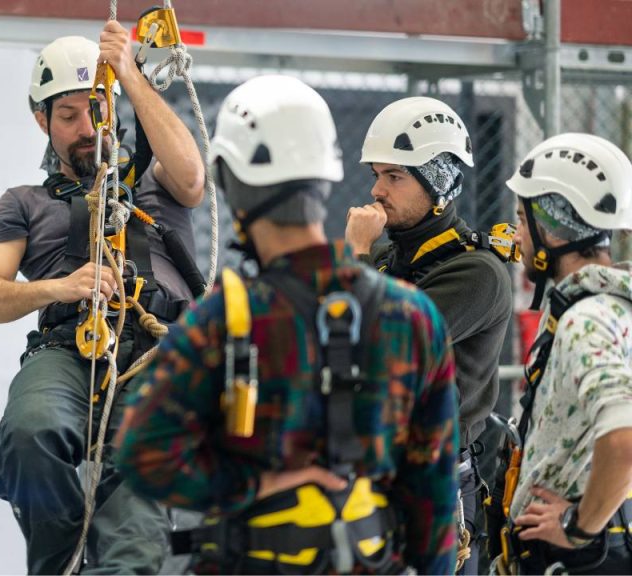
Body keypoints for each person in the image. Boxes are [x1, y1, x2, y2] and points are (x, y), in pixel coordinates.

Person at [115, 75, 459, 575]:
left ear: (232, 185)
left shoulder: (228, 318)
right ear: (325, 179)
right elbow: (434, 498)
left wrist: (252, 484)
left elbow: (143, 454)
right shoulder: (412, 318)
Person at [0, 21, 205, 575]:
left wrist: (128, 76)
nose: (85, 127)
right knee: (30, 434)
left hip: (156, 348)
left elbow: (194, 177)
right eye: (67, 115)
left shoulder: (155, 180)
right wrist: (61, 288)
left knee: (136, 509)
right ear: (41, 121)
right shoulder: (23, 202)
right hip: (69, 347)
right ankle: (62, 561)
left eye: (96, 110)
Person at [345, 96, 514, 572]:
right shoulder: (386, 261)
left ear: (439, 181)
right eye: (377, 174)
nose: (377, 190)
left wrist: (355, 256)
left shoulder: (476, 273)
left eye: (394, 176)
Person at [499, 133, 632, 574]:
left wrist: (577, 526)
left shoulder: (586, 319)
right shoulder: (614, 307)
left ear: (554, 224)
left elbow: (624, 438)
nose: (517, 236)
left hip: (575, 557)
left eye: (523, 219)